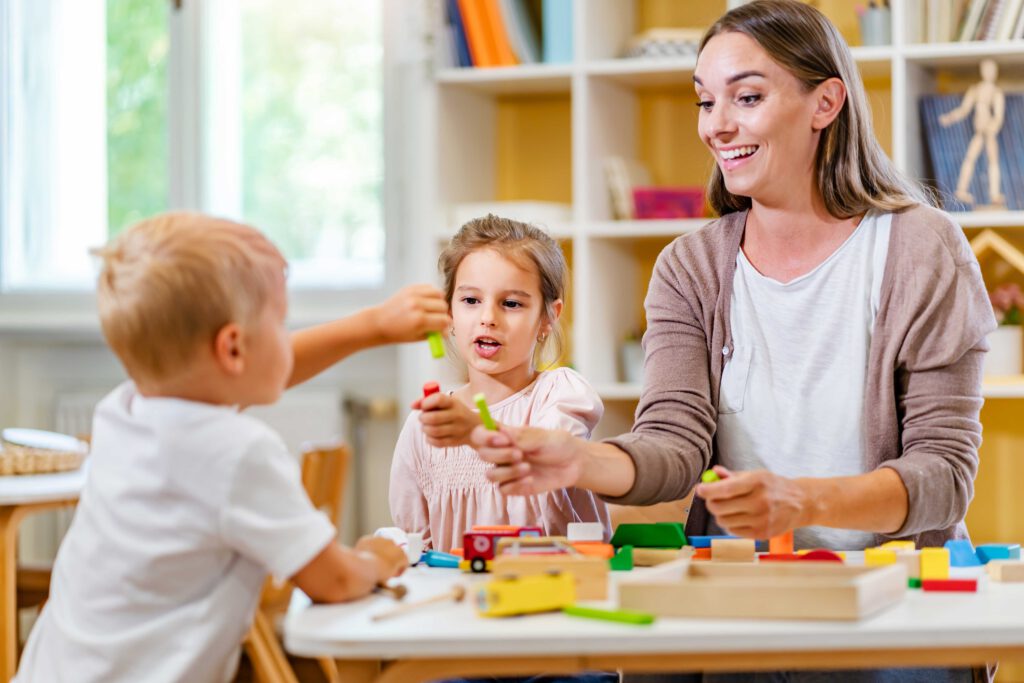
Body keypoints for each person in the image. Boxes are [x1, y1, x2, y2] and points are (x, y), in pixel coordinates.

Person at [469, 2, 995, 681]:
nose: (717, 125)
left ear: (825, 102)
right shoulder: (690, 267)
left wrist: (804, 500)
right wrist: (577, 460)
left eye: (746, 97)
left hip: (888, 596)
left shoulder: (922, 249)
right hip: (737, 590)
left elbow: (944, 474)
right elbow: (674, 443)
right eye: (705, 100)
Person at [14, 212, 448, 683]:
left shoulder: (126, 410)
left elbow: (243, 377)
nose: (287, 340)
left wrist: (373, 326)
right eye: (281, 325)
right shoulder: (236, 453)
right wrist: (379, 556)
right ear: (233, 349)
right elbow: (336, 581)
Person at [389, 215, 610, 554]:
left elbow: (547, 455)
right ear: (448, 312)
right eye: (471, 300)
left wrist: (473, 428)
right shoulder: (424, 427)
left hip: (555, 591)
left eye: (511, 303)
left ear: (548, 318)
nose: (488, 317)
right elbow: (417, 544)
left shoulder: (561, 394)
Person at [939, 58, 1006, 208]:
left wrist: (993, 127)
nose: (989, 72)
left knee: (993, 161)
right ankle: (961, 190)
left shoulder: (996, 92)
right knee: (970, 158)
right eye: (986, 69)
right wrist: (949, 118)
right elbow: (963, 110)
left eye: (992, 69)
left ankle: (994, 194)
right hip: (979, 130)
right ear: (981, 71)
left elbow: (999, 115)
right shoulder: (975, 90)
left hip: (988, 131)